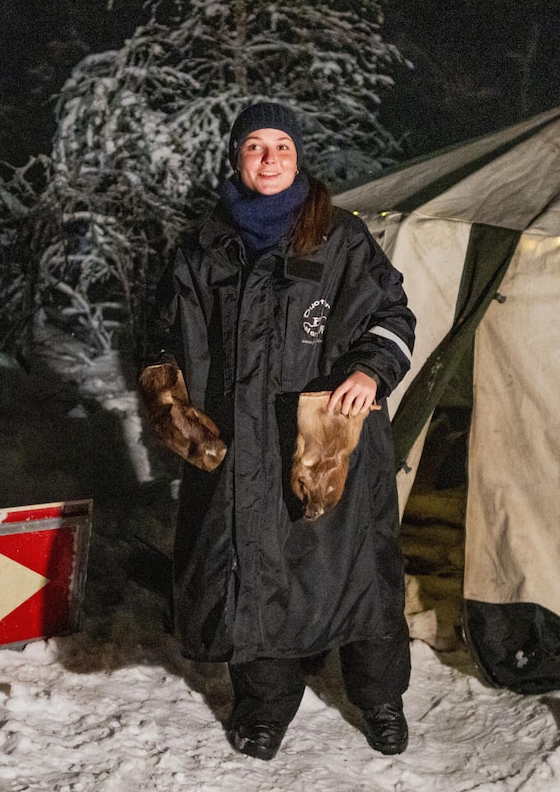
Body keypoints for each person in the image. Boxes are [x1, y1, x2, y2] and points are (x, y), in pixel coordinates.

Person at [141, 102, 416, 761]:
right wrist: (169, 396)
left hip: (323, 442)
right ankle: (264, 707)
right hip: (233, 445)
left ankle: (380, 702)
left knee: (356, 577)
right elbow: (158, 336)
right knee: (248, 573)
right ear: (236, 157)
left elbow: (392, 315)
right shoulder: (201, 247)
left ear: (299, 158)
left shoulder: (340, 237)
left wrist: (371, 372)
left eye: (281, 147)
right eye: (255, 147)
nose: (268, 159)